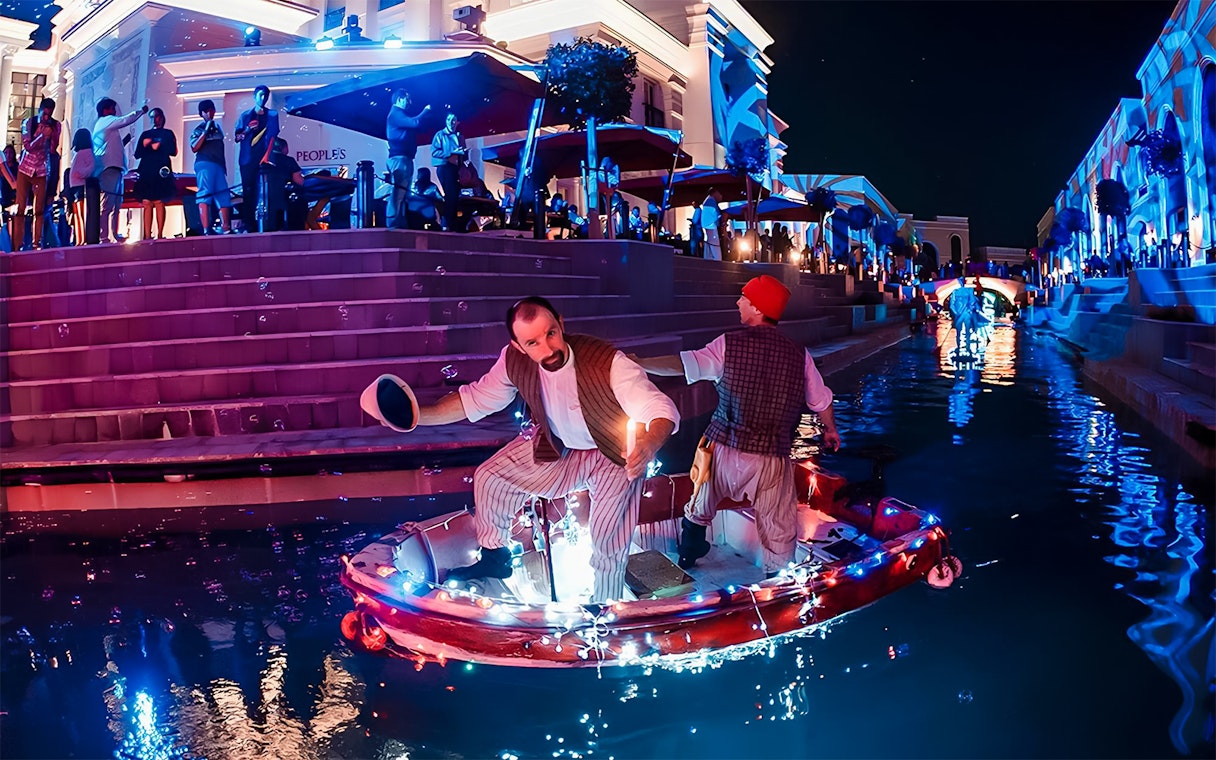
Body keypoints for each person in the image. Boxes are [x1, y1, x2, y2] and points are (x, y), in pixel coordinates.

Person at [361, 296, 678, 602]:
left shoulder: (608, 361)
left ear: (561, 324)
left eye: (551, 333)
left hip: (617, 454)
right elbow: (475, 399)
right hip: (561, 447)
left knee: (608, 539)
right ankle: (496, 557)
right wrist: (418, 416)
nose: (548, 348)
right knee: (490, 477)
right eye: (533, 343)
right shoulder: (513, 361)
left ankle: (604, 610)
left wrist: (649, 443)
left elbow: (658, 406)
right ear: (518, 346)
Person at [634, 275, 840, 575]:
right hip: (771, 456)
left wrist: (638, 362)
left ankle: (688, 558)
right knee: (777, 526)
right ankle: (776, 580)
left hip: (723, 448)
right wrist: (831, 430)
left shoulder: (728, 344)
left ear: (758, 308)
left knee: (700, 505)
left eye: (744, 298)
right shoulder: (800, 354)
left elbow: (683, 364)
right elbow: (821, 401)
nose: (738, 302)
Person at [93, 97, 148, 244]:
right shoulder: (105, 121)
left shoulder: (105, 125)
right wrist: (141, 111)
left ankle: (114, 235)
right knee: (108, 205)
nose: (115, 112)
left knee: (116, 204)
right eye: (112, 108)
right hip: (108, 169)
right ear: (105, 110)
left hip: (115, 169)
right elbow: (125, 120)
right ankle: (104, 236)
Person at [13, 97, 62, 250]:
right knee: (20, 207)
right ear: (40, 110)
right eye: (44, 114)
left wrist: (52, 135)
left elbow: (53, 149)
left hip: (41, 170)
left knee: (39, 209)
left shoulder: (56, 125)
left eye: (49, 114)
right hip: (25, 168)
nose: (46, 117)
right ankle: (17, 244)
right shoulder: (28, 122)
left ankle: (37, 244)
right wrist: (41, 136)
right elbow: (27, 146)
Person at [234, 85, 280, 231]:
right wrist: (247, 130)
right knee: (248, 190)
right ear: (254, 97)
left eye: (265, 95)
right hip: (247, 159)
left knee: (268, 189)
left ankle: (270, 223)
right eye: (260, 95)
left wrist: (266, 155)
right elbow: (237, 137)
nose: (263, 98)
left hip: (265, 158)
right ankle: (249, 223)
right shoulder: (245, 116)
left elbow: (273, 136)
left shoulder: (272, 114)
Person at [385, 88, 430, 230]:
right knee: (398, 192)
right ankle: (392, 223)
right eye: (407, 99)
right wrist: (425, 111)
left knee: (403, 193)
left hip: (404, 158)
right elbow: (415, 123)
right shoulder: (395, 114)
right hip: (400, 158)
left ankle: (399, 221)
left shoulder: (399, 115)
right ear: (399, 99)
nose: (409, 102)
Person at [189, 99, 233, 234]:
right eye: (207, 110)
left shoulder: (217, 127)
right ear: (202, 113)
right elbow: (194, 147)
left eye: (212, 109)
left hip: (218, 165)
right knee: (204, 194)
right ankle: (206, 229)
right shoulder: (199, 129)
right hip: (204, 163)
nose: (211, 112)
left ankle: (226, 228)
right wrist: (206, 129)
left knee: (223, 194)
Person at [133, 107, 177, 240]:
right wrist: (149, 144)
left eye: (157, 116)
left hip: (161, 169)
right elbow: (137, 154)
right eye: (152, 117)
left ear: (162, 117)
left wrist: (158, 144)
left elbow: (173, 151)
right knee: (147, 202)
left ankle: (159, 234)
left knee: (159, 201)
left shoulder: (168, 133)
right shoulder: (145, 134)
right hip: (147, 170)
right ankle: (147, 235)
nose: (154, 119)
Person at [430, 112, 466, 232]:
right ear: (445, 121)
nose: (451, 122)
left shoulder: (460, 136)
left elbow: (463, 154)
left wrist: (463, 154)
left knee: (455, 197)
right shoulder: (440, 135)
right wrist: (451, 152)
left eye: (454, 120)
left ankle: (451, 224)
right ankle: (447, 224)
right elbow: (434, 152)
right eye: (449, 120)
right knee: (451, 195)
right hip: (445, 167)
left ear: (457, 122)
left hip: (456, 168)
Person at [262, 137, 305, 232]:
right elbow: (299, 180)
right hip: (285, 203)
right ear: (284, 148)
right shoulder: (289, 161)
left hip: (266, 205)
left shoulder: (263, 162)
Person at [66, 129, 95, 246]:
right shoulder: (80, 153)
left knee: (81, 214)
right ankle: (79, 238)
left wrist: (80, 173)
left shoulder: (86, 152)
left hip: (80, 185)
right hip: (75, 186)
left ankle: (82, 238)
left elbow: (91, 167)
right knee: (78, 215)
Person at [700, 188, 723, 261]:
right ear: (715, 193)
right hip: (711, 226)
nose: (721, 196)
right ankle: (717, 260)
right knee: (715, 246)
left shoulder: (707, 201)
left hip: (706, 226)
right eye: (719, 194)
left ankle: (708, 259)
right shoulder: (711, 201)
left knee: (708, 246)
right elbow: (717, 215)